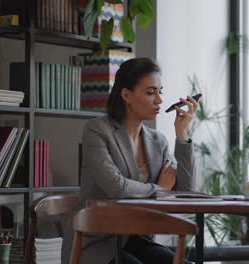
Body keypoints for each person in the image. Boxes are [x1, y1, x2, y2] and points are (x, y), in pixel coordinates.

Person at [61, 58, 198, 264]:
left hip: (137, 239)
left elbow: (186, 191)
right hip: (97, 241)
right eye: (151, 92)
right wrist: (160, 189)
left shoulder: (157, 141)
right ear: (126, 95)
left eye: (160, 92)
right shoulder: (97, 130)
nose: (160, 100)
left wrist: (182, 134)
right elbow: (116, 186)